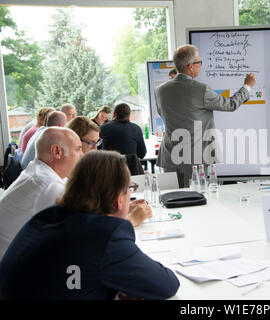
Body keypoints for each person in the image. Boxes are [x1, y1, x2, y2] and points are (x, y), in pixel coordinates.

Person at [0, 150, 179, 300]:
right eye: (129, 189)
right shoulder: (106, 235)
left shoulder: (48, 216)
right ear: (119, 199)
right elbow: (166, 284)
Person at [155, 44, 256, 187]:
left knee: (171, 198)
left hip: (170, 155)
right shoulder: (201, 90)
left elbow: (164, 115)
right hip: (195, 158)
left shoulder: (160, 90)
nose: (200, 65)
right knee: (194, 201)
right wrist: (247, 86)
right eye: (199, 62)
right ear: (190, 66)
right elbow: (230, 104)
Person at [0, 127, 84, 258]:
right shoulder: (49, 185)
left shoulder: (35, 172)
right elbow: (83, 230)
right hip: (13, 270)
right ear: (57, 151)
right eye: (78, 149)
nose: (82, 155)